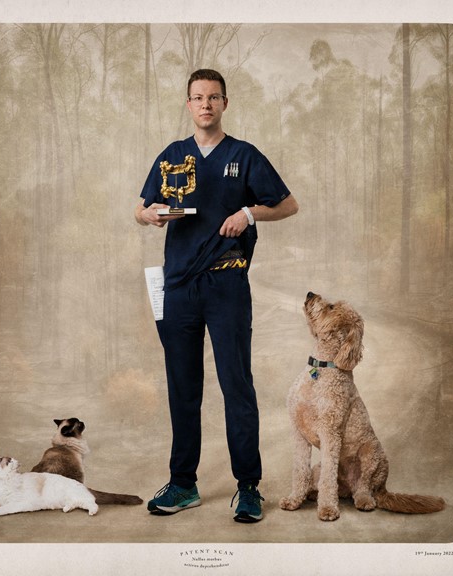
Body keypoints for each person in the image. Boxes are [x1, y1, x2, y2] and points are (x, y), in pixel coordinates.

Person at [135, 69, 298, 523]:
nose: (205, 105)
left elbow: (287, 203)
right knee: (183, 388)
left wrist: (248, 212)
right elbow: (139, 206)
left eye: (213, 97)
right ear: (188, 104)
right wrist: (148, 215)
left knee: (235, 385)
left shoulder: (243, 156)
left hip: (226, 284)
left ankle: (248, 487)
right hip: (178, 286)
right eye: (197, 97)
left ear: (225, 103)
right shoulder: (172, 156)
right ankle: (183, 483)